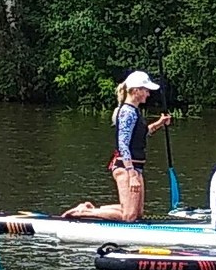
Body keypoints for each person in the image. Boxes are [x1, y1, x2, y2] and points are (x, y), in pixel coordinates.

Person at [61, 70, 173, 220]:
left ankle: (90, 208)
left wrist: (159, 124)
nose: (148, 94)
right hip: (126, 168)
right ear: (135, 91)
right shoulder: (127, 112)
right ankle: (83, 212)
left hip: (136, 166)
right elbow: (123, 144)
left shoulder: (134, 111)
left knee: (137, 214)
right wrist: (132, 175)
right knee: (129, 216)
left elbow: (140, 135)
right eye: (145, 90)